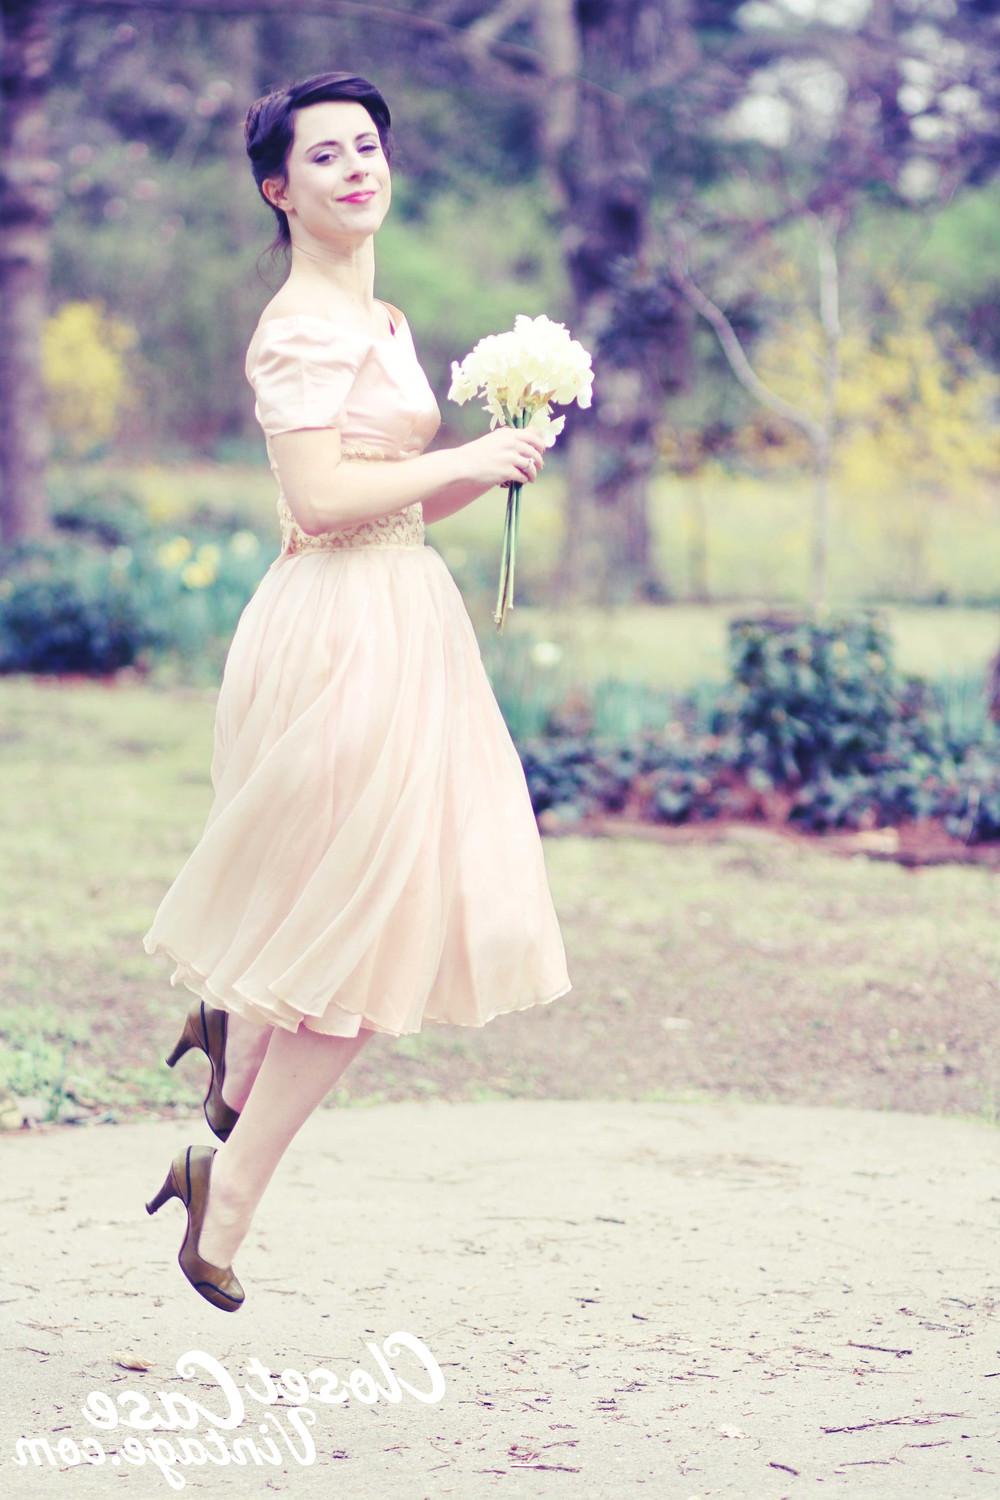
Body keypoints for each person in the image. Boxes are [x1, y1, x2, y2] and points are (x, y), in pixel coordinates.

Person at [142, 71, 572, 1311]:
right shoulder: (298, 327)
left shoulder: (377, 323)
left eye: (368, 147)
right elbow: (321, 504)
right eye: (324, 157)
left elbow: (393, 493)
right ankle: (224, 1185)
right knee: (368, 939)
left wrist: (487, 469)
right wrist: (454, 458)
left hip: (404, 617)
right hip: (337, 630)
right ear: (279, 191)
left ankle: (231, 1042)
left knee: (366, 915)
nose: (355, 169)